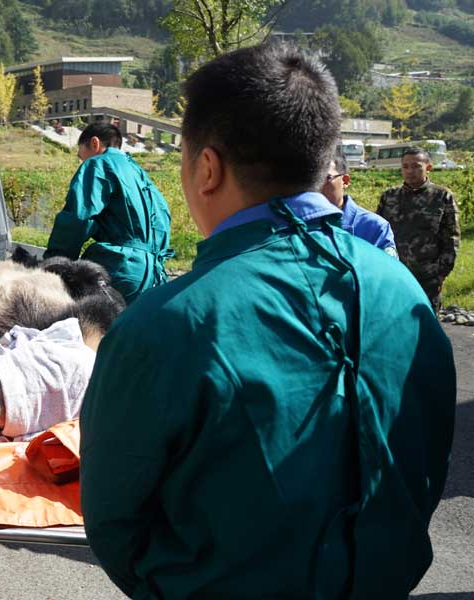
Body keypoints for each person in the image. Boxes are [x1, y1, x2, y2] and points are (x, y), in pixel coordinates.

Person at [80, 44, 455, 599]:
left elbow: (114, 519)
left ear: (207, 168)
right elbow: (423, 464)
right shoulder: (405, 295)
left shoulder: (164, 325)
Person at [44, 123, 173, 304]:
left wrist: (55, 262)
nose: (82, 163)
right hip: (152, 274)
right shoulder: (139, 173)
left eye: (81, 156)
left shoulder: (99, 164)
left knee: (97, 330)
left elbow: (79, 217)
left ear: (95, 143)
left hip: (118, 268)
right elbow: (163, 220)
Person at [377, 147, 460, 312]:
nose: (410, 171)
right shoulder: (389, 197)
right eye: (405, 166)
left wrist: (441, 273)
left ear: (428, 167)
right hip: (394, 274)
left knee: (426, 326)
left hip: (427, 277)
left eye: (416, 166)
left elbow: (451, 239)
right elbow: (378, 233)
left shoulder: (442, 197)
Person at [322, 149, 398, 257]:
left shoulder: (374, 227)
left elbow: (387, 271)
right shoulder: (296, 222)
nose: (317, 186)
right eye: (311, 180)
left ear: (345, 181)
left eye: (325, 178)